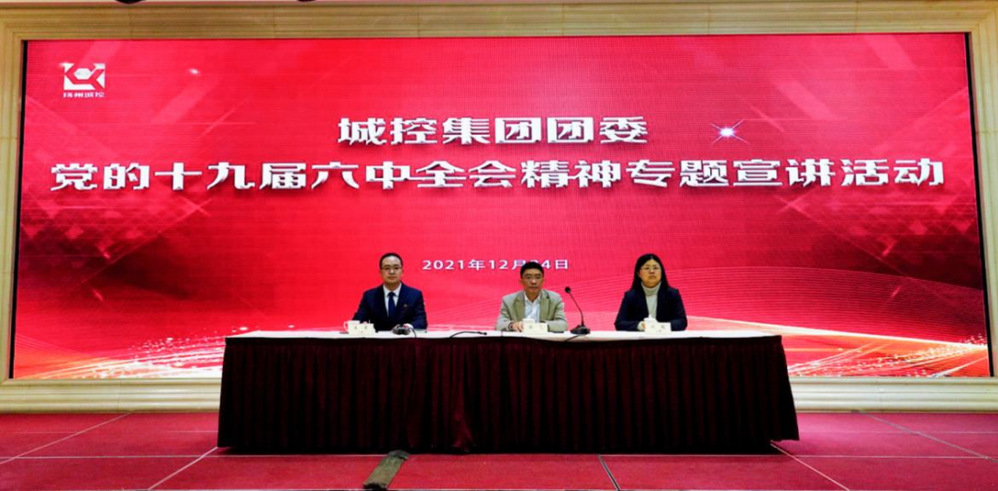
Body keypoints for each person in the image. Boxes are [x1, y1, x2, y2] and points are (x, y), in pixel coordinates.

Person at [353, 252, 427, 331]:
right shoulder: (370, 296)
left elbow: (421, 322)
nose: (392, 272)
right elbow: (357, 320)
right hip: (378, 339)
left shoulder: (414, 295)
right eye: (387, 268)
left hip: (405, 338)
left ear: (402, 272)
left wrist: (406, 328)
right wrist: (362, 325)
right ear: (380, 273)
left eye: (396, 268)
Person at [614, 253, 687, 331]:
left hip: (665, 337)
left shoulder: (672, 294)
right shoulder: (630, 296)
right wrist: (641, 325)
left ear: (661, 272)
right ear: (638, 273)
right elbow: (619, 323)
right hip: (641, 338)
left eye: (655, 268)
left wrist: (659, 327)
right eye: (647, 268)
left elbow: (682, 322)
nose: (652, 271)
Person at [496, 261, 568, 333]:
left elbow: (563, 324)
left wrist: (541, 326)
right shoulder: (509, 300)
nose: (533, 281)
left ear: (543, 281)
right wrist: (512, 325)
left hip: (544, 339)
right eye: (528, 277)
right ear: (521, 282)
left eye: (537, 277)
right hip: (520, 339)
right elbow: (499, 325)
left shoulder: (554, 299)